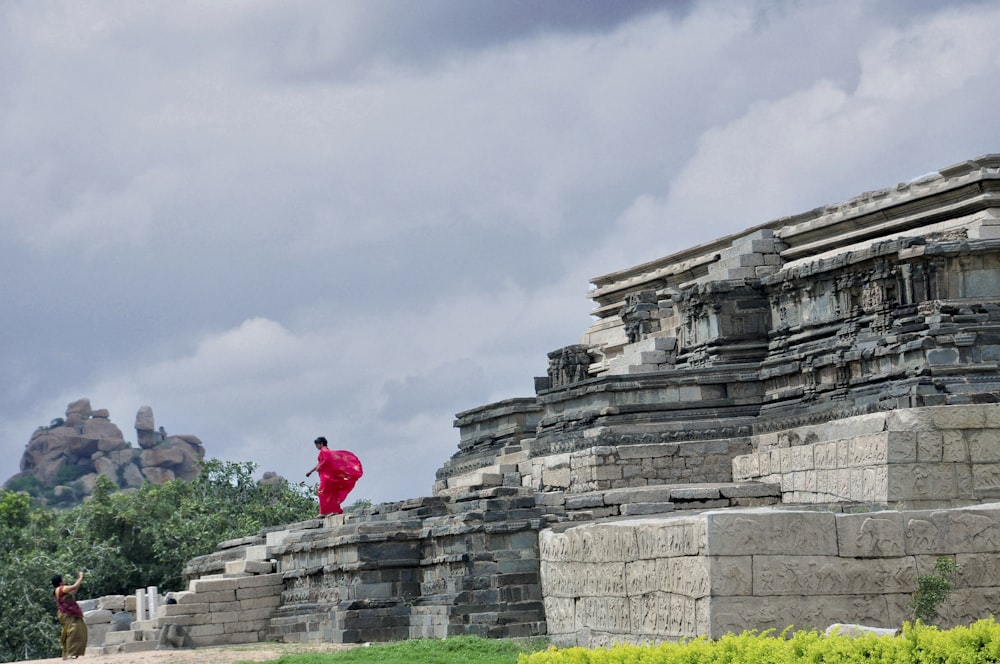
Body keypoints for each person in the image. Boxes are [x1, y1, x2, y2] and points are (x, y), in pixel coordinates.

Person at [306, 436, 363, 517]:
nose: (316, 447)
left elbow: (327, 460)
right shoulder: (326, 451)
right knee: (333, 493)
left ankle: (323, 512)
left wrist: (320, 466)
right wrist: (311, 471)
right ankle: (336, 510)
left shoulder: (324, 450)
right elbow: (322, 462)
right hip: (329, 476)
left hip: (327, 477)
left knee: (321, 492)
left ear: (321, 444)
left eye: (317, 445)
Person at [52, 571, 88, 659]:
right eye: (62, 579)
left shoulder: (60, 590)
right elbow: (74, 586)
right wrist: (80, 578)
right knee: (73, 631)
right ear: (60, 582)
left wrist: (79, 581)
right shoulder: (61, 588)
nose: (64, 580)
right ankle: (69, 653)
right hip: (67, 613)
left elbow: (74, 590)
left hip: (68, 613)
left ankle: (72, 652)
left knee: (76, 631)